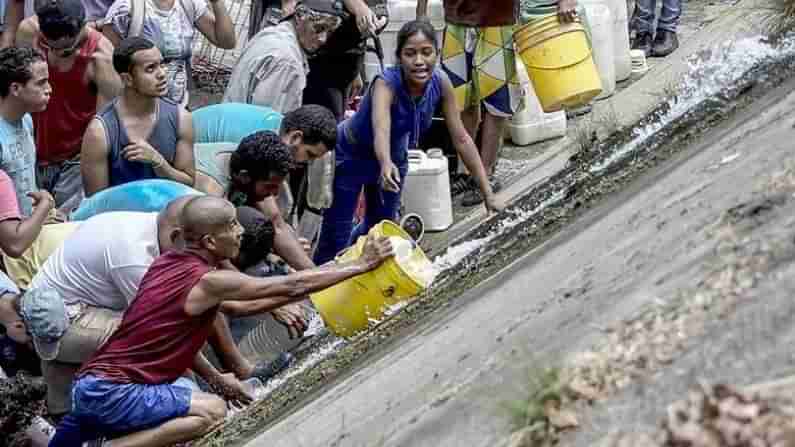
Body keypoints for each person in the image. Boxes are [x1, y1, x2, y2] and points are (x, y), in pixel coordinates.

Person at [44, 195, 394, 446]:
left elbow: (228, 313)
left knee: (188, 392)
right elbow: (292, 283)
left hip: (94, 385)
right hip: (111, 391)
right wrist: (361, 266)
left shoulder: (165, 264)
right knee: (210, 412)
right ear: (210, 240)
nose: (240, 231)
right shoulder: (209, 281)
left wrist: (218, 377)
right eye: (231, 226)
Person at [314, 20, 503, 264]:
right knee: (335, 235)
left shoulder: (441, 82)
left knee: (382, 229)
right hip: (351, 155)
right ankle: (318, 287)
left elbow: (462, 139)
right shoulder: (386, 82)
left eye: (427, 52)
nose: (419, 61)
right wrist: (384, 162)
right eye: (410, 53)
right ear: (399, 57)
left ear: (437, 53)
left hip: (395, 158)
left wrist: (488, 194)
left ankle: (356, 268)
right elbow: (381, 125)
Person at [416, 0, 540, 206]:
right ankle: (467, 173)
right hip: (457, 17)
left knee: (498, 100)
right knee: (459, 99)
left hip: (497, 18)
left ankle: (486, 172)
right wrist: (421, 12)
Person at [15, 0, 121, 212]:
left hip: (75, 157)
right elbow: (16, 89)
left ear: (83, 26)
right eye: (50, 47)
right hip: (30, 146)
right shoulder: (29, 33)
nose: (56, 54)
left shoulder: (102, 58)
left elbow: (102, 128)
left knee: (64, 223)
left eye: (66, 50)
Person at [81, 37, 195, 197]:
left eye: (162, 64)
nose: (162, 74)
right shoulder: (99, 132)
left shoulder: (182, 118)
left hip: (169, 215)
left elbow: (189, 184)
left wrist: (158, 162)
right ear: (127, 79)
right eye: (150, 69)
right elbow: (96, 202)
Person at [103, 0, 235, 106]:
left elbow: (227, 42)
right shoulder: (126, 8)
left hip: (179, 107)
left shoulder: (189, 4)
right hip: (139, 109)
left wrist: (217, 2)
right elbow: (109, 68)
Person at [223, 0, 343, 113]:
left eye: (329, 32)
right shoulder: (288, 62)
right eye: (318, 28)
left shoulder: (269, 34)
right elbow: (266, 122)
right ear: (299, 16)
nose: (323, 39)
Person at [0, 46, 49, 216]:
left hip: (30, 225)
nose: (49, 89)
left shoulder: (27, 120)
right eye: (41, 83)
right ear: (15, 89)